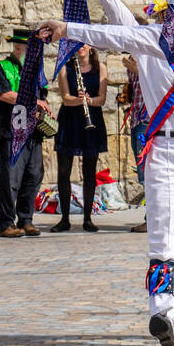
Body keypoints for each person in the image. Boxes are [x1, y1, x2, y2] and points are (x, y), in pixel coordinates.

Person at [53, 0, 174, 346]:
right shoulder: (149, 44)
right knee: (166, 233)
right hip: (166, 149)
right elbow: (116, 20)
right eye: (169, 15)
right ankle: (163, 311)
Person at [0, 28, 49, 237]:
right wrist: (35, 101)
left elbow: (43, 95)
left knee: (33, 175)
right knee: (10, 178)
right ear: (19, 46)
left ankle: (26, 219)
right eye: (31, 47)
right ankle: (5, 224)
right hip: (9, 132)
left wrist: (44, 107)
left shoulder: (36, 72)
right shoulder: (1, 69)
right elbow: (5, 94)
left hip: (32, 132)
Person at [51, 44, 108, 232]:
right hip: (70, 120)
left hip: (91, 121)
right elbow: (66, 98)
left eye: (83, 43)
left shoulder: (101, 68)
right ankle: (65, 219)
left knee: (90, 172)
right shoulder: (65, 68)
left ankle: (87, 219)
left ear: (91, 46)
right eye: (76, 44)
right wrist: (81, 100)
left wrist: (89, 101)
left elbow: (101, 99)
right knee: (63, 171)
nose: (80, 47)